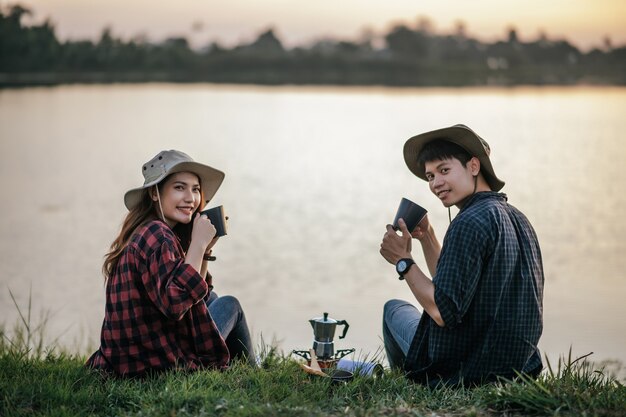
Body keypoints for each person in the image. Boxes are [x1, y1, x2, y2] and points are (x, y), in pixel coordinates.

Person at [379, 124, 544, 387]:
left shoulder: (469, 221)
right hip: (517, 367)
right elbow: (454, 290)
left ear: (474, 166)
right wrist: (429, 237)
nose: (435, 184)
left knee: (394, 309)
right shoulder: (519, 219)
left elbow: (443, 312)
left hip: (466, 369)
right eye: (430, 176)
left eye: (444, 170)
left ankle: (413, 385)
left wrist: (403, 262)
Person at [87, 150, 255, 377]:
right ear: (155, 194)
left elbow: (197, 296)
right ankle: (253, 371)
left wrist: (204, 250)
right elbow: (176, 303)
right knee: (230, 304)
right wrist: (196, 243)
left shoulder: (148, 229)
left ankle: (239, 368)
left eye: (195, 189)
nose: (190, 198)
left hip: (131, 357)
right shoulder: (158, 235)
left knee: (211, 299)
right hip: (157, 364)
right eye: (179, 187)